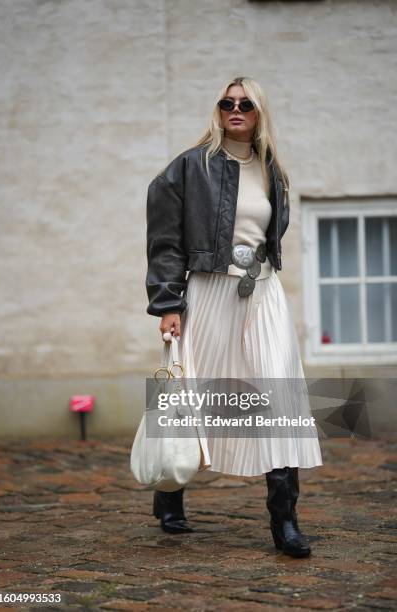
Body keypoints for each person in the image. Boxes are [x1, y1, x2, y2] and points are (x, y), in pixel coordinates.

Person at [145, 76, 323, 557]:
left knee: (277, 397)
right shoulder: (188, 168)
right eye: (227, 103)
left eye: (245, 104)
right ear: (218, 111)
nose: (235, 109)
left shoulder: (272, 170)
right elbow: (166, 242)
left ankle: (284, 522)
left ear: (259, 112)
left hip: (263, 292)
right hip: (208, 291)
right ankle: (170, 491)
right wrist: (167, 304)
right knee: (197, 395)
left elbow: (271, 236)